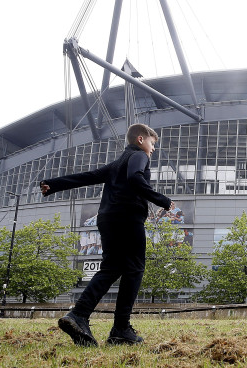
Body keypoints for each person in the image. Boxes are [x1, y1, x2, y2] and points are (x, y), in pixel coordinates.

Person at [40, 123, 172, 346]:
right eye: (152, 143)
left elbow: (88, 176)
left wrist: (52, 185)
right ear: (140, 140)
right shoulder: (139, 156)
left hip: (108, 219)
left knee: (112, 267)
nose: (153, 149)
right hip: (128, 219)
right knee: (135, 268)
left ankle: (78, 315)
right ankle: (121, 328)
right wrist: (163, 201)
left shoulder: (117, 163)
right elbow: (135, 178)